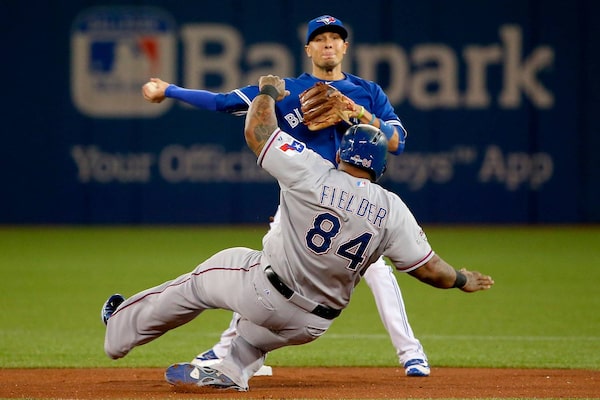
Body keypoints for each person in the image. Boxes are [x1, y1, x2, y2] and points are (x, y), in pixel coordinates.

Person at [102, 74, 494, 392]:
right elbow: (430, 270)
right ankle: (232, 370)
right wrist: (462, 280)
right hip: (312, 325)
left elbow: (257, 131)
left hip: (265, 291)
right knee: (253, 335)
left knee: (198, 283)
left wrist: (268, 93)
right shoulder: (392, 210)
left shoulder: (311, 171)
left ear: (340, 154)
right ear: (380, 167)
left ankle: (119, 328)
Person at [142, 15, 429, 377]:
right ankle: (229, 349)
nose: (328, 43)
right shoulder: (288, 90)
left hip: (356, 202)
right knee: (265, 273)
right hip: (302, 202)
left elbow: (397, 142)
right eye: (320, 38)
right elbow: (222, 102)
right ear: (308, 49)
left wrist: (357, 112)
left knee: (378, 271)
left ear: (345, 47)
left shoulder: (367, 92)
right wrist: (169, 90)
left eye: (334, 37)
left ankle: (411, 353)